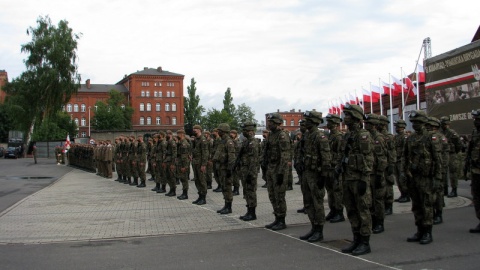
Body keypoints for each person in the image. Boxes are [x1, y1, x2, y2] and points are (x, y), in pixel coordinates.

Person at [337, 103, 374, 256]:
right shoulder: (348, 135)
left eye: (348, 116)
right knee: (351, 210)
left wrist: (364, 180)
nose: (345, 118)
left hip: (358, 179)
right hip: (347, 179)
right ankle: (356, 239)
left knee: (363, 211)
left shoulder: (363, 135)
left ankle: (365, 242)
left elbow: (368, 159)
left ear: (356, 118)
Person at [404, 110, 442, 245]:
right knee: (417, 205)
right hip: (414, 177)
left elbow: (438, 160)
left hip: (427, 178)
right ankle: (419, 230)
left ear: (424, 122)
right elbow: (405, 157)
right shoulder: (411, 138)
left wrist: (437, 178)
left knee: (427, 205)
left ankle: (427, 232)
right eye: (413, 122)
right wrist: (405, 174)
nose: (415, 125)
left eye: (418, 122)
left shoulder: (431, 137)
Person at [299, 111, 331, 242]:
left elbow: (326, 158)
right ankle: (313, 227)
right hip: (307, 173)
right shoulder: (307, 135)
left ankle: (319, 230)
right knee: (308, 202)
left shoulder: (320, 136)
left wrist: (323, 176)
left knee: (317, 203)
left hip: (316, 174)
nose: (304, 122)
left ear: (313, 121)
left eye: (307, 120)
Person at [263, 112, 291, 231]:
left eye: (272, 122)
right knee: (272, 195)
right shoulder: (272, 135)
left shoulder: (282, 135)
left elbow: (285, 156)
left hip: (279, 169)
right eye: (269, 122)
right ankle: (277, 217)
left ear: (278, 123)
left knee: (279, 196)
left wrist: (281, 173)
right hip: (271, 168)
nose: (269, 124)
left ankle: (282, 220)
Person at [364, 114, 388, 234]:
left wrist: (379, 173)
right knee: (370, 199)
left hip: (377, 173)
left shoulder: (378, 138)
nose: (365, 125)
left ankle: (379, 222)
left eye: (368, 123)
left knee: (378, 199)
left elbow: (382, 158)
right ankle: (373, 220)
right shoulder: (367, 136)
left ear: (373, 124)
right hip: (369, 173)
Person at [425, 117, 448, 225]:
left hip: (438, 169)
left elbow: (444, 154)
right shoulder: (427, 137)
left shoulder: (440, 137)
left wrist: (442, 169)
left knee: (438, 192)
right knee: (430, 193)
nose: (428, 127)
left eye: (430, 125)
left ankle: (438, 214)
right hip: (428, 169)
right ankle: (432, 213)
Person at [325, 113, 345, 223]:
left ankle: (339, 212)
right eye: (328, 122)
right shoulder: (329, 136)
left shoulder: (339, 137)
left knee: (337, 191)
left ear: (336, 124)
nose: (328, 124)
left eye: (330, 123)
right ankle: (332, 210)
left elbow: (341, 153)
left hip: (335, 168)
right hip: (329, 168)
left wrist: (337, 165)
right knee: (330, 191)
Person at [237, 122, 260, 221]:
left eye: (245, 131)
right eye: (243, 131)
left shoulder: (253, 143)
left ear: (251, 131)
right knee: (246, 191)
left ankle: (252, 213)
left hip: (250, 172)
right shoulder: (246, 142)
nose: (244, 132)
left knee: (251, 192)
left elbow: (254, 160)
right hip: (245, 171)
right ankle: (249, 211)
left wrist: (251, 174)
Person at [214, 123, 236, 214]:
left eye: (219, 130)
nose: (218, 132)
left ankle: (229, 207)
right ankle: (226, 205)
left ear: (223, 131)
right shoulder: (222, 141)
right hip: (221, 168)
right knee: (224, 187)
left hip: (226, 168)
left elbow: (231, 157)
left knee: (227, 188)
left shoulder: (228, 142)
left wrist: (229, 170)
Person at [465, 109, 480, 233]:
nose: (475, 122)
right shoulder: (475, 132)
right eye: (475, 119)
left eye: (477, 119)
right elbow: (469, 151)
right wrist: (466, 166)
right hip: (476, 170)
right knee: (477, 196)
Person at [378, 115, 396, 216]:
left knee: (388, 185)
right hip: (380, 164)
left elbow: (392, 151)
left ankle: (389, 205)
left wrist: (391, 164)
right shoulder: (377, 135)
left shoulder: (388, 136)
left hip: (387, 164)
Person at [440, 116, 462, 197]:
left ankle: (454, 190)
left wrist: (455, 151)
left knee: (453, 172)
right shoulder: (440, 132)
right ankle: (445, 190)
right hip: (443, 154)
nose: (444, 125)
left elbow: (459, 144)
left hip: (452, 154)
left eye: (445, 123)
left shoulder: (452, 133)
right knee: (443, 172)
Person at [191, 125, 209, 205]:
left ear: (199, 130)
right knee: (197, 180)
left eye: (195, 129)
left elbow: (205, 153)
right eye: (193, 129)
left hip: (200, 163)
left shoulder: (203, 139)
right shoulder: (196, 140)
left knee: (202, 181)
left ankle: (203, 198)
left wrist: (204, 164)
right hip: (195, 163)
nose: (194, 130)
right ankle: (200, 196)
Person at [393, 120, 410, 203]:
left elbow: (405, 150)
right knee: (398, 179)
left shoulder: (405, 137)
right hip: (396, 160)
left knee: (403, 179)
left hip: (401, 160)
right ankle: (402, 194)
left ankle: (406, 195)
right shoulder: (396, 137)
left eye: (397, 126)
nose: (396, 128)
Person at [293, 120, 307, 214]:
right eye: (300, 125)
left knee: (311, 190)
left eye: (303, 125)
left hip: (309, 168)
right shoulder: (303, 138)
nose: (301, 127)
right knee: (304, 189)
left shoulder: (310, 137)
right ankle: (306, 205)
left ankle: (310, 207)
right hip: (302, 167)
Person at [176, 129, 191, 200]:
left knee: (184, 179)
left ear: (182, 134)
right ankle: (184, 193)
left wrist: (184, 166)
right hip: (180, 163)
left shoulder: (184, 144)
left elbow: (184, 156)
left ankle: (185, 194)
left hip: (183, 164)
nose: (177, 135)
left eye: (178, 134)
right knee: (182, 179)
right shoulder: (180, 142)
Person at [164, 130, 178, 196]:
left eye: (167, 134)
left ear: (170, 135)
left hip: (171, 161)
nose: (166, 136)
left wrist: (173, 163)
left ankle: (173, 190)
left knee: (172, 176)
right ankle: (171, 189)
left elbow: (174, 154)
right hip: (167, 160)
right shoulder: (168, 142)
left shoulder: (172, 142)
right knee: (168, 176)